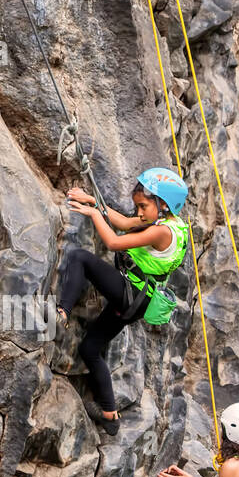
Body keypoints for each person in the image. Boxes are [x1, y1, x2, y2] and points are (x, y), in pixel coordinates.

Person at [57, 168, 189, 435]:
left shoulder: (162, 232)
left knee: (80, 258)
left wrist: (93, 214)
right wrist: (95, 202)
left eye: (143, 206)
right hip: (137, 301)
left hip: (130, 292)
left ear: (162, 205)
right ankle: (110, 415)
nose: (139, 212)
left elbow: (115, 242)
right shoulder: (173, 225)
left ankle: (61, 312)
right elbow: (126, 223)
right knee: (90, 349)